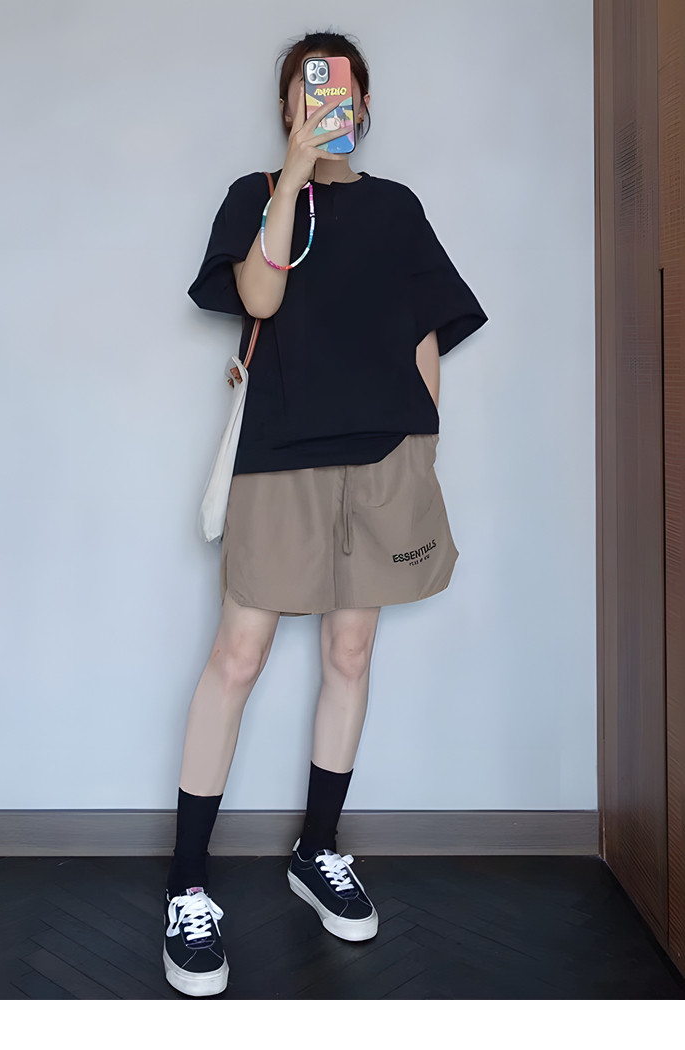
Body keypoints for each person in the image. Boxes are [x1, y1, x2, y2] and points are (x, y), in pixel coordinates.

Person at [163, 30, 488, 998]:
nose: (327, 105)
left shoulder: (397, 208)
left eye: (341, 92)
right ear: (287, 109)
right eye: (307, 94)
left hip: (385, 457)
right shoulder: (257, 196)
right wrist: (296, 173)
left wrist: (425, 450)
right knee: (238, 657)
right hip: (281, 455)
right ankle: (187, 886)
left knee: (351, 653)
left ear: (365, 105)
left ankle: (318, 849)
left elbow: (426, 334)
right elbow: (259, 295)